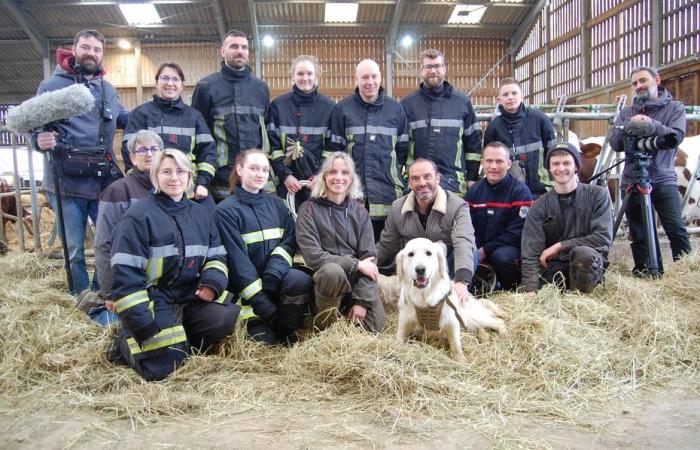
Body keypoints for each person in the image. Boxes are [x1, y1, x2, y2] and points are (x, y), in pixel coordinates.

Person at [110, 149, 239, 381]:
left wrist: (212, 283)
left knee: (225, 316)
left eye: (180, 171)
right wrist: (141, 324)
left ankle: (181, 339)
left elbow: (217, 256)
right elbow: (125, 277)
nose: (174, 178)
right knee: (163, 370)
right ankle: (124, 343)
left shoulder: (201, 214)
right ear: (155, 177)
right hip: (153, 298)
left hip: (188, 295)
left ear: (189, 176)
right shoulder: (138, 217)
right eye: (166, 172)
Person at [30, 29, 128, 294]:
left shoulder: (107, 90)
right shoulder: (53, 86)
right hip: (66, 181)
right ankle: (81, 296)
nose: (91, 53)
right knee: (74, 247)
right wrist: (38, 139)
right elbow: (35, 128)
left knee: (108, 241)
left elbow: (124, 119)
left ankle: (101, 292)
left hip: (101, 181)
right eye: (86, 47)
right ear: (74, 49)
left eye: (97, 49)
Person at [215, 149, 312, 346]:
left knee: (299, 279)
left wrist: (274, 273)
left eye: (265, 170)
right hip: (248, 295)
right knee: (263, 343)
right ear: (240, 170)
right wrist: (261, 301)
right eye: (253, 168)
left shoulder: (277, 204)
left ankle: (286, 326)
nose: (260, 174)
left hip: (274, 280)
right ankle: (264, 323)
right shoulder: (224, 211)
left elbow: (290, 241)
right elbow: (238, 263)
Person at [608, 66, 691, 277]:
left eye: (643, 81)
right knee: (638, 232)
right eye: (634, 83)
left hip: (662, 178)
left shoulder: (674, 108)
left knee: (675, 229)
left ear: (657, 79)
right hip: (632, 178)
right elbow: (616, 142)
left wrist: (651, 125)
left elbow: (675, 138)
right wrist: (630, 126)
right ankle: (647, 273)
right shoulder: (627, 112)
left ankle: (686, 275)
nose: (639, 86)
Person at [295, 152, 386, 332]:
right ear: (324, 177)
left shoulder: (360, 211)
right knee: (332, 271)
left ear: (351, 179)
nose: (338, 177)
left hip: (355, 281)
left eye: (345, 173)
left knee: (376, 326)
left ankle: (351, 308)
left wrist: (361, 302)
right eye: (332, 172)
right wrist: (355, 263)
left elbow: (369, 260)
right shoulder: (308, 209)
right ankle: (327, 325)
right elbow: (313, 256)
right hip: (326, 282)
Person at [85, 130, 163, 317]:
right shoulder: (118, 192)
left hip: (162, 286)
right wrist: (111, 293)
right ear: (133, 158)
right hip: (129, 282)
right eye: (142, 150)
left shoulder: (171, 188)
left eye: (154, 149)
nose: (150, 154)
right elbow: (103, 244)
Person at [329, 59, 409, 241]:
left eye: (374, 76)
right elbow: (335, 152)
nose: (370, 82)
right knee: (352, 243)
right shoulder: (342, 110)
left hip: (388, 192)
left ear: (381, 78)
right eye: (364, 77)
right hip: (352, 193)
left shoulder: (396, 109)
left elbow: (403, 151)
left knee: (387, 246)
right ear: (355, 80)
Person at [376, 158, 476, 303]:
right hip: (417, 266)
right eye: (415, 178)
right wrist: (365, 265)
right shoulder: (398, 208)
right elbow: (385, 245)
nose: (422, 183)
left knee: (470, 251)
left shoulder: (457, 206)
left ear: (437, 178)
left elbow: (463, 242)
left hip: (446, 266)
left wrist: (461, 281)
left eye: (427, 176)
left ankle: (456, 294)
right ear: (409, 183)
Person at [121, 62, 217, 208]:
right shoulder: (141, 114)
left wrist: (202, 183)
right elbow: (129, 150)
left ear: (182, 85)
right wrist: (139, 182)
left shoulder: (194, 116)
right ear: (156, 83)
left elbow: (208, 151)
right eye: (165, 78)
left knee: (210, 218)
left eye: (175, 79)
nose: (170, 83)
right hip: (151, 189)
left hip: (189, 190)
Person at [521, 143, 613, 293]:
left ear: (576, 166)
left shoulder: (598, 195)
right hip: (556, 268)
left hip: (588, 267)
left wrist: (560, 246)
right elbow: (530, 252)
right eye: (555, 164)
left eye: (567, 163)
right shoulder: (539, 205)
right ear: (549, 169)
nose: (561, 168)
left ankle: (579, 298)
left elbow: (602, 238)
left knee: (585, 255)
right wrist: (530, 289)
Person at [191, 30, 270, 202]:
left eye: (244, 47)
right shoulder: (206, 87)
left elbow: (265, 132)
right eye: (234, 46)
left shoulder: (261, 88)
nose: (240, 51)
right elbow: (199, 134)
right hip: (219, 176)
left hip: (253, 175)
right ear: (223, 51)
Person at [400, 48, 482, 197]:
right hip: (419, 184)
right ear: (421, 70)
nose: (433, 71)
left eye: (437, 66)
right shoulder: (407, 104)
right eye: (428, 67)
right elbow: (400, 146)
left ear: (444, 69)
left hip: (454, 183)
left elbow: (473, 144)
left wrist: (472, 178)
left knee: (453, 220)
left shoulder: (462, 102)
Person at [267, 55, 335, 207]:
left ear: (316, 76)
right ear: (293, 76)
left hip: (317, 183)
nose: (305, 78)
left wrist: (320, 175)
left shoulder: (329, 108)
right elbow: (273, 146)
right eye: (300, 74)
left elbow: (332, 148)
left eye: (309, 74)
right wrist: (285, 175)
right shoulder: (278, 106)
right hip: (286, 184)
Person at [466, 142, 533, 291]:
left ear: (509, 164)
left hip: (508, 248)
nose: (493, 166)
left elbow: (517, 233)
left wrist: (486, 250)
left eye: (499, 161)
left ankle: (511, 289)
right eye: (489, 161)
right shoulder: (474, 191)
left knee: (501, 257)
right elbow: (466, 226)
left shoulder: (520, 192)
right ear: (482, 163)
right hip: (480, 247)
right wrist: (474, 249)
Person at [483, 77, 557, 198]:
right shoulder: (494, 127)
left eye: (514, 93)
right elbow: (491, 162)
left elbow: (554, 153)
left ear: (522, 96)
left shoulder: (539, 119)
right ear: (499, 100)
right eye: (505, 94)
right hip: (510, 193)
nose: (510, 97)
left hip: (543, 190)